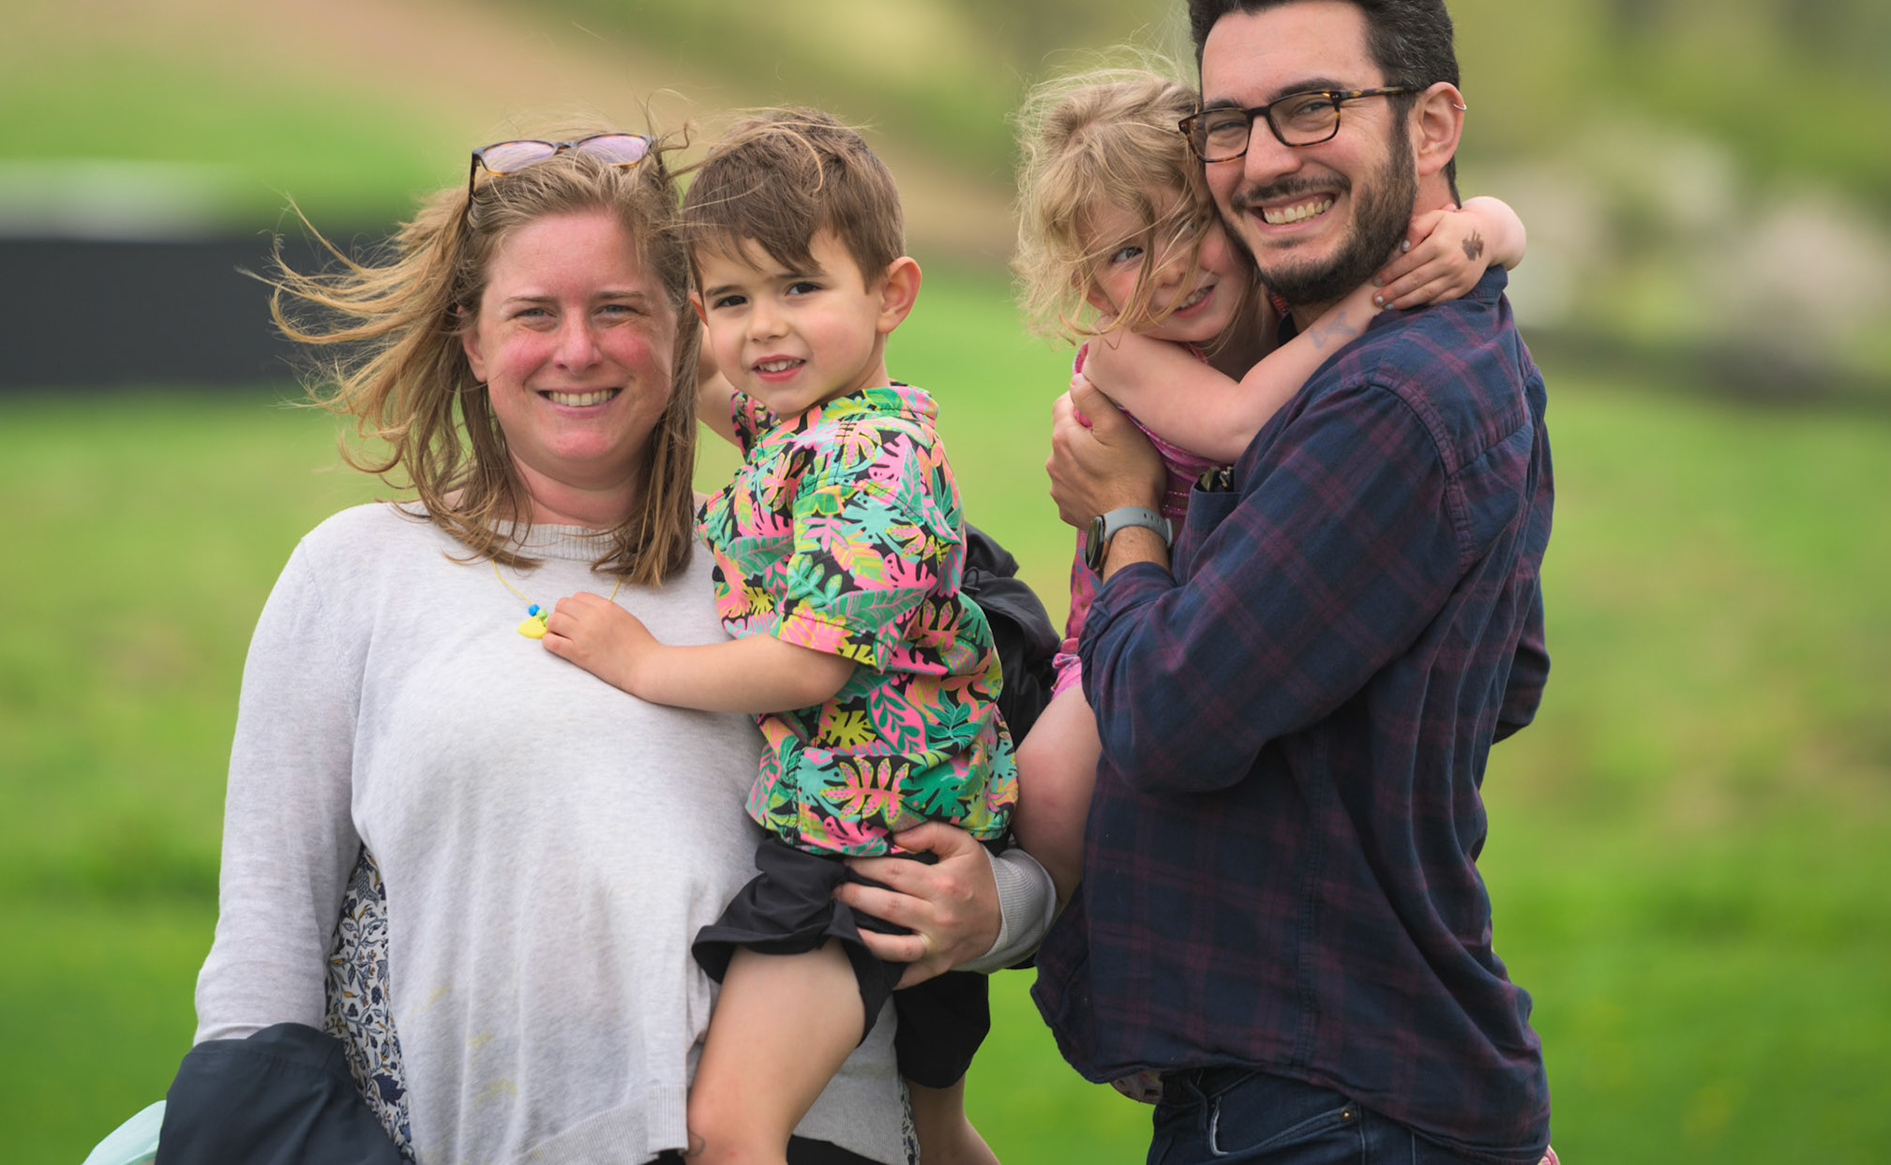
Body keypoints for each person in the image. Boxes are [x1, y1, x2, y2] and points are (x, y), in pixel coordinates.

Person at [168, 130, 1049, 1165]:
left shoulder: (793, 554)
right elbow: (261, 967)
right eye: (534, 312)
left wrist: (1001, 912)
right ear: (473, 341)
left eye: (620, 309)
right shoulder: (358, 570)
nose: (578, 350)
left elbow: (1005, 818)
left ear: (678, 331)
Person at [1038, 0, 1556, 1165]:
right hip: (1338, 1079)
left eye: (1313, 106)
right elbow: (1511, 676)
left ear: (1431, 124)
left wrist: (1127, 519)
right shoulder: (1412, 345)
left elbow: (1166, 716)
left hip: (1330, 1096)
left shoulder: (1387, 398)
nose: (1267, 159)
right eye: (1232, 123)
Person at [541, 109, 1016, 1165]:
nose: (764, 329)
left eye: (800, 288)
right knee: (937, 1135)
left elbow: (811, 661)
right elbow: (705, 378)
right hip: (894, 808)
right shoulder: (804, 422)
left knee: (729, 1129)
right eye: (734, 299)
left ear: (891, 295)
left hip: (863, 841)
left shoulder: (874, 461)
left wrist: (641, 660)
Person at [1007, 67, 1525, 895]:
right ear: (1089, 286)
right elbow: (1237, 423)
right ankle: (1015, 917)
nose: (1171, 268)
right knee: (1049, 793)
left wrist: (1479, 233)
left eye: (1189, 225)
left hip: (1239, 614)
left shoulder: (1286, 301)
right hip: (1126, 624)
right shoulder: (1120, 351)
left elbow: (1504, 225)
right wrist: (1366, 307)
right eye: (1129, 253)